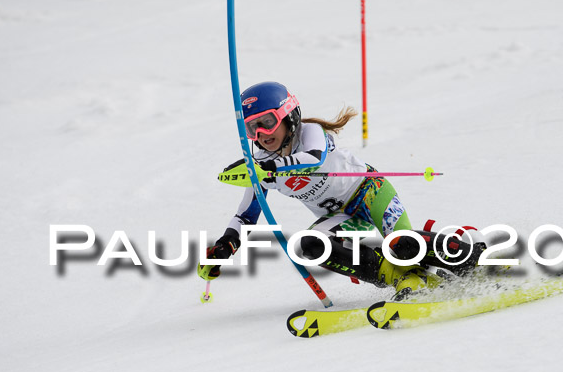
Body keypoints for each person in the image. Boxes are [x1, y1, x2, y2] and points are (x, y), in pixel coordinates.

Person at [198, 81, 481, 300]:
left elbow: (313, 159)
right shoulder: (259, 165)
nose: (261, 134)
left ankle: (475, 258)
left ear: (288, 117)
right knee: (310, 245)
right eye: (252, 128)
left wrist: (268, 168)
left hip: (370, 193)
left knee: (402, 246)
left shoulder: (309, 132)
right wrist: (225, 246)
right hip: (342, 216)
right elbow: (246, 216)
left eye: (268, 123)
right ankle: (403, 280)